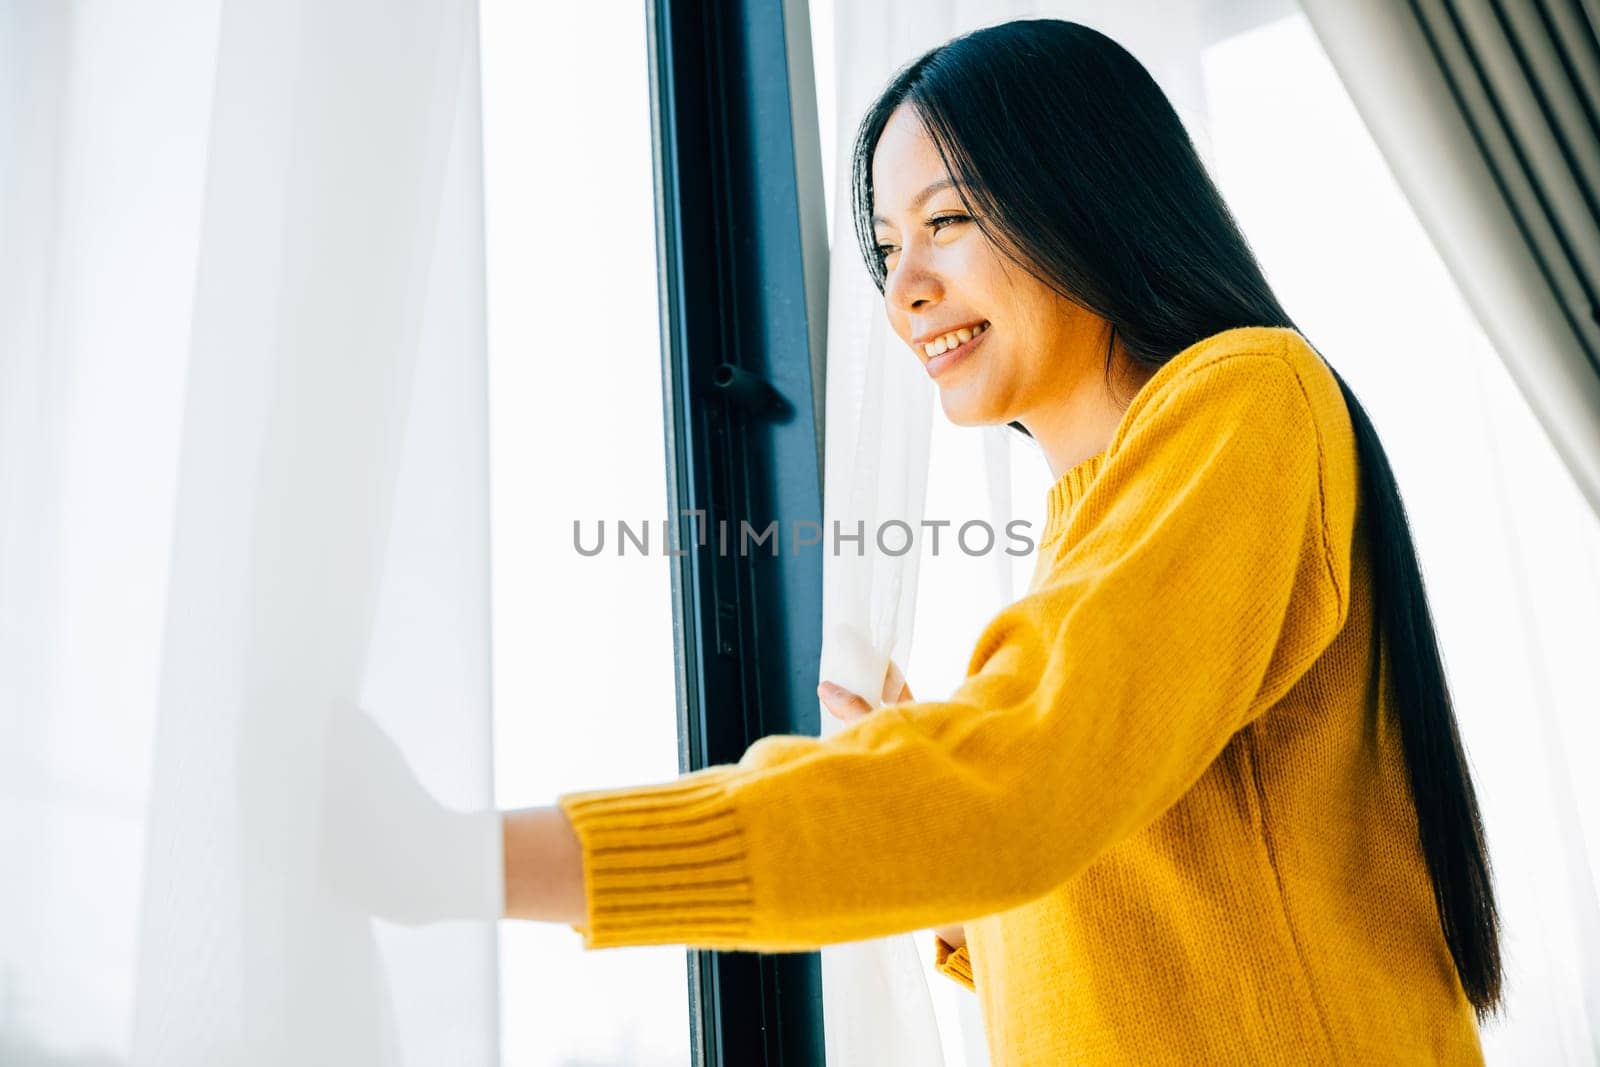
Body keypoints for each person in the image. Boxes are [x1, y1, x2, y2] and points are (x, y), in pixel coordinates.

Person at [497, 18, 1503, 1063]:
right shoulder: (1093, 523)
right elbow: (1132, 925)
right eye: (888, 248)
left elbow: (1030, 790)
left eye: (949, 220)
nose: (902, 292)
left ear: (1086, 190)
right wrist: (945, 846)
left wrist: (492, 861)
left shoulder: (1246, 398)